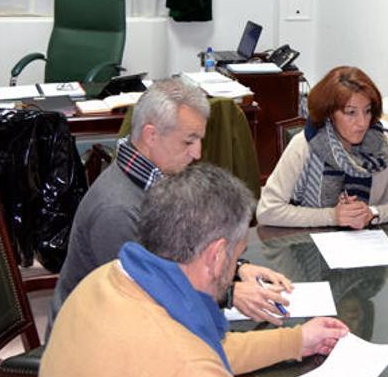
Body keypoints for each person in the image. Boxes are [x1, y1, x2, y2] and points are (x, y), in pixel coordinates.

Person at [35, 164, 378, 377]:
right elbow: (189, 365)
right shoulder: (184, 372)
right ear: (215, 256)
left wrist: (299, 340)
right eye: (238, 252)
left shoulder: (104, 281)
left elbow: (208, 351)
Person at [48, 79, 291, 334]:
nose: (197, 153)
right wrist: (229, 294)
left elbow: (184, 249)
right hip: (90, 340)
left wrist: (237, 269)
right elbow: (151, 292)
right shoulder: (116, 210)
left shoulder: (160, 179)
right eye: (188, 141)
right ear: (151, 135)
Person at [256, 66, 388, 228]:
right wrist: (332, 216)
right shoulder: (305, 146)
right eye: (351, 113)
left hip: (368, 247)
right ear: (330, 114)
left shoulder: (382, 147)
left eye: (367, 111)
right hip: (308, 246)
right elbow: (267, 210)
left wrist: (374, 213)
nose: (362, 123)